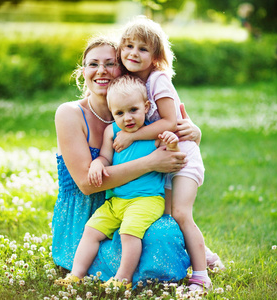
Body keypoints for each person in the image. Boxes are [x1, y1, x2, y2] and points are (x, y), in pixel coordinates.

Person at [52, 35, 195, 286]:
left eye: (110, 63)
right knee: (118, 247)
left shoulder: (139, 113)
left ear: (122, 67)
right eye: (93, 64)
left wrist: (196, 133)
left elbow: (176, 143)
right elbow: (87, 184)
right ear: (83, 70)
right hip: (88, 214)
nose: (102, 71)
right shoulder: (70, 113)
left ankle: (197, 255)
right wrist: (151, 163)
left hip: (137, 204)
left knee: (164, 236)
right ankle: (105, 275)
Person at [114, 15, 219, 293]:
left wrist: (132, 135)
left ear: (156, 56)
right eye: (128, 46)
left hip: (181, 157)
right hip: (164, 160)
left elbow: (170, 122)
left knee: (182, 213)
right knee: (168, 215)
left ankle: (200, 275)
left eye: (143, 48)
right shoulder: (129, 81)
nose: (134, 53)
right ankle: (206, 255)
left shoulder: (158, 79)